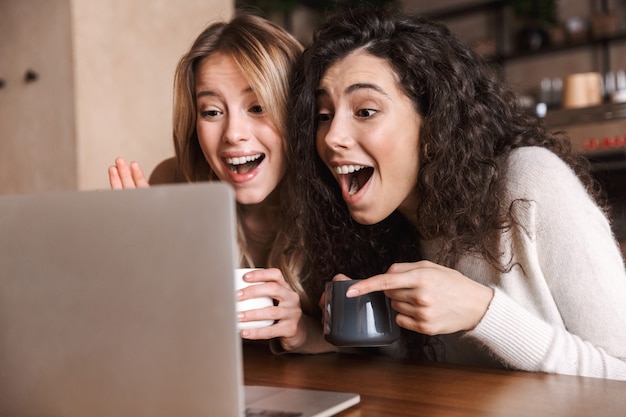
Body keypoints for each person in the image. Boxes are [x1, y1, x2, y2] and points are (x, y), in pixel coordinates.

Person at [287, 7, 626, 379]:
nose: (332, 137)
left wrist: (482, 312)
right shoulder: (381, 230)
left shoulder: (531, 182)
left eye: (365, 111)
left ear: (433, 125)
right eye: (323, 115)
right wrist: (325, 337)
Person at [108, 13, 320, 353]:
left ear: (295, 112)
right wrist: (140, 265)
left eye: (257, 106)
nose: (233, 133)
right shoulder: (173, 184)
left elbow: (377, 344)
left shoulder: (335, 193)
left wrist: (303, 333)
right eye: (211, 112)